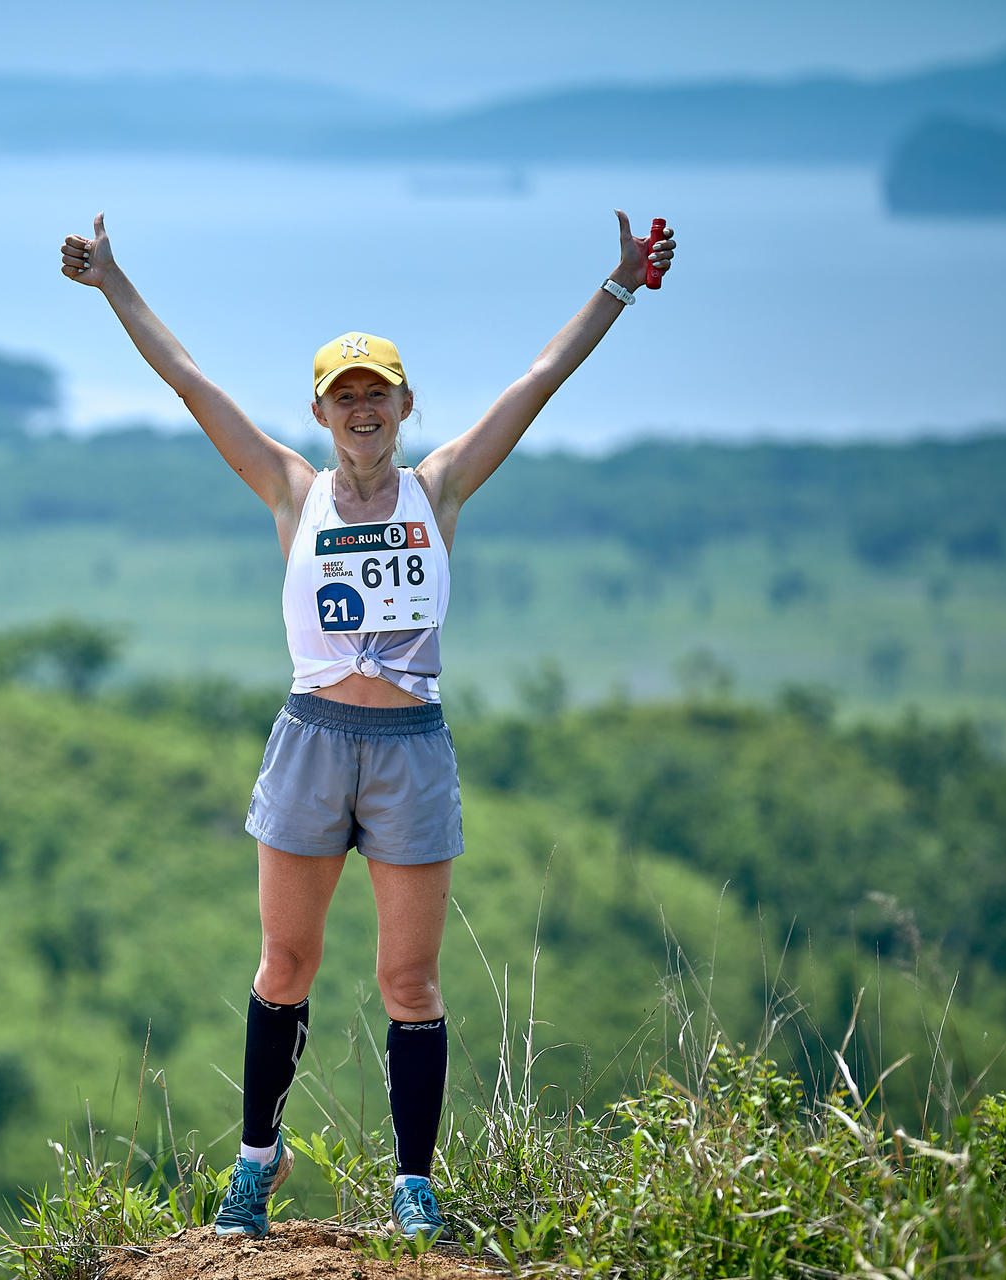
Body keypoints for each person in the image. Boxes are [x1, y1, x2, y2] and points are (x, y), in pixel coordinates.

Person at [59, 209, 676, 1240]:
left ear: (402, 403)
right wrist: (115, 281)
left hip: (410, 752)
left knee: (409, 977)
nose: (361, 410)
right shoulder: (288, 490)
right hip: (311, 739)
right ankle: (258, 1160)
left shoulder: (440, 489)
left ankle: (413, 1185)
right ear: (320, 409)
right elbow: (188, 378)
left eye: (375, 393)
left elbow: (538, 380)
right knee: (283, 967)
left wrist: (617, 284)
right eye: (344, 396)